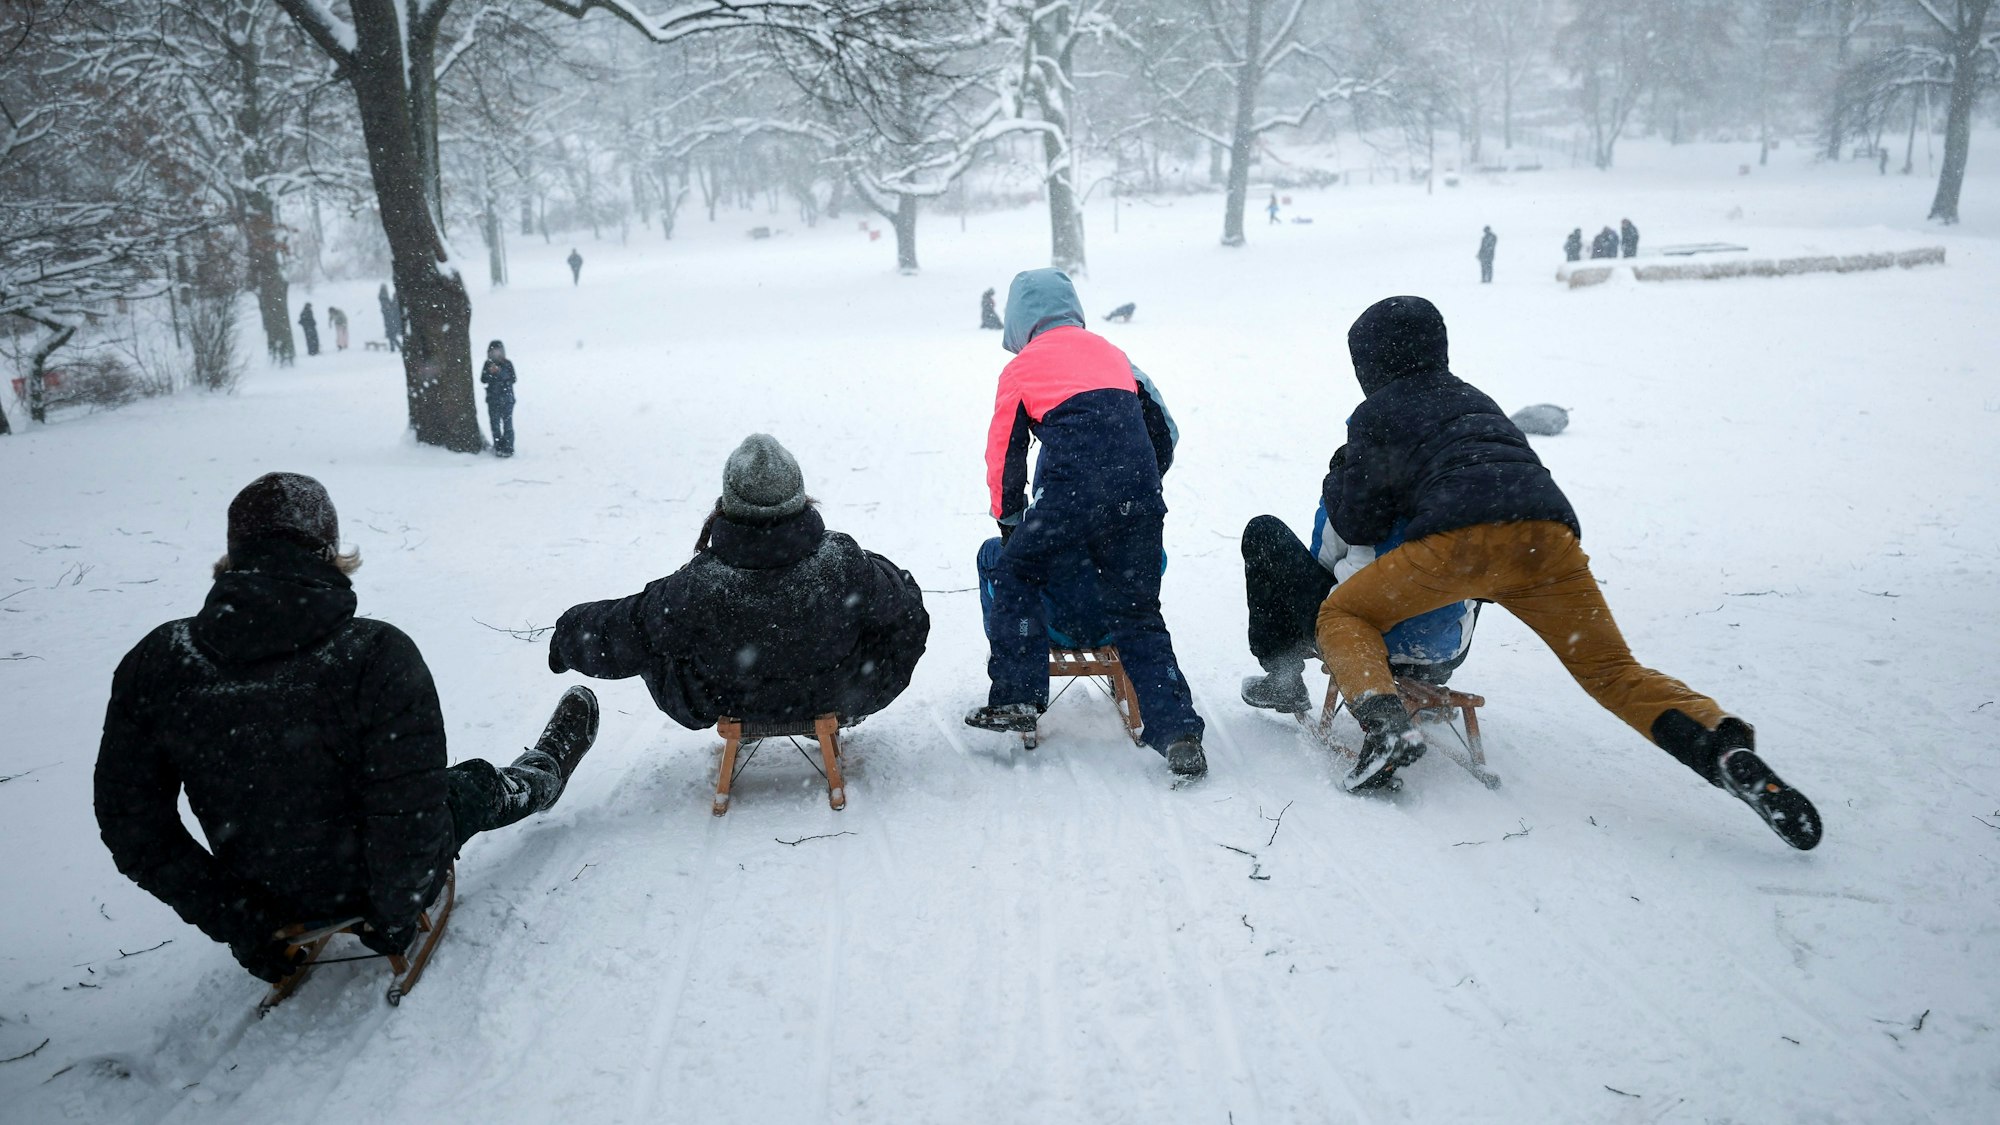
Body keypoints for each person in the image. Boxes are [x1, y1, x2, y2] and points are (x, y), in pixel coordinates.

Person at [1310, 296, 1822, 851]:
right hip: (1547, 538)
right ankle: (1719, 747)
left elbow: (1359, 516)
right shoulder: (1478, 401)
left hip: (1459, 542)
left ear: (1369, 362)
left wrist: (1341, 473)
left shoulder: (1378, 412)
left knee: (1345, 613)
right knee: (1612, 671)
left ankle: (1386, 726)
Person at [94, 472, 600, 984]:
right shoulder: (374, 655)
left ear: (234, 556)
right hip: (365, 882)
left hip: (258, 887)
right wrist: (396, 910)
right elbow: (409, 810)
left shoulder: (158, 663)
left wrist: (238, 918)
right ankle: (542, 773)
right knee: (470, 786)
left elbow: (131, 826)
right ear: (329, 551)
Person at [963, 268, 1207, 778]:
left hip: (1071, 493)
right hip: (1138, 499)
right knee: (1139, 614)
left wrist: (1012, 525)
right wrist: (1137, 484)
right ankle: (1178, 730)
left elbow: (1004, 454)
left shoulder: (1024, 367)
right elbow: (1160, 428)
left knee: (1014, 572)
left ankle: (1017, 697)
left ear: (1019, 322)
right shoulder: (1112, 354)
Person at [549, 435, 929, 731]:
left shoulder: (701, 582)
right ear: (799, 495)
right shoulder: (842, 559)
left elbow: (627, 626)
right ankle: (835, 692)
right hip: (836, 692)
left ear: (729, 502)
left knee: (654, 637)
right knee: (894, 614)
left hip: (731, 701)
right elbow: (906, 605)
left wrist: (569, 634)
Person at [974, 370, 1177, 652]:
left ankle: (1008, 646)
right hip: (1119, 626)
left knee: (992, 553)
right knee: (1149, 552)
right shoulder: (1126, 477)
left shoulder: (1058, 463)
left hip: (1051, 628)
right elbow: (1156, 563)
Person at [1237, 505, 1475, 714]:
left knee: (1263, 531)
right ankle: (1427, 671)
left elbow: (1324, 560)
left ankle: (1283, 676)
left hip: (1357, 645)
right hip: (1442, 653)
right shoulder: (1464, 486)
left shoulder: (1360, 482)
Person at [480, 339, 516, 458]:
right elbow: (483, 379)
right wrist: (491, 373)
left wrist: (500, 373)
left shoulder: (507, 363)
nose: (495, 354)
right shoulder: (487, 364)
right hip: (492, 399)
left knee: (507, 425)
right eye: (493, 352)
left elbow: (513, 378)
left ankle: (508, 447)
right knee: (495, 425)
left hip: (507, 399)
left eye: (498, 351)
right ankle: (498, 446)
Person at [378, 284, 403, 353]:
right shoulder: (386, 299)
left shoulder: (385, 299)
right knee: (391, 335)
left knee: (391, 335)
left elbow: (390, 307)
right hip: (391, 319)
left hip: (391, 320)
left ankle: (396, 347)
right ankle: (396, 347)